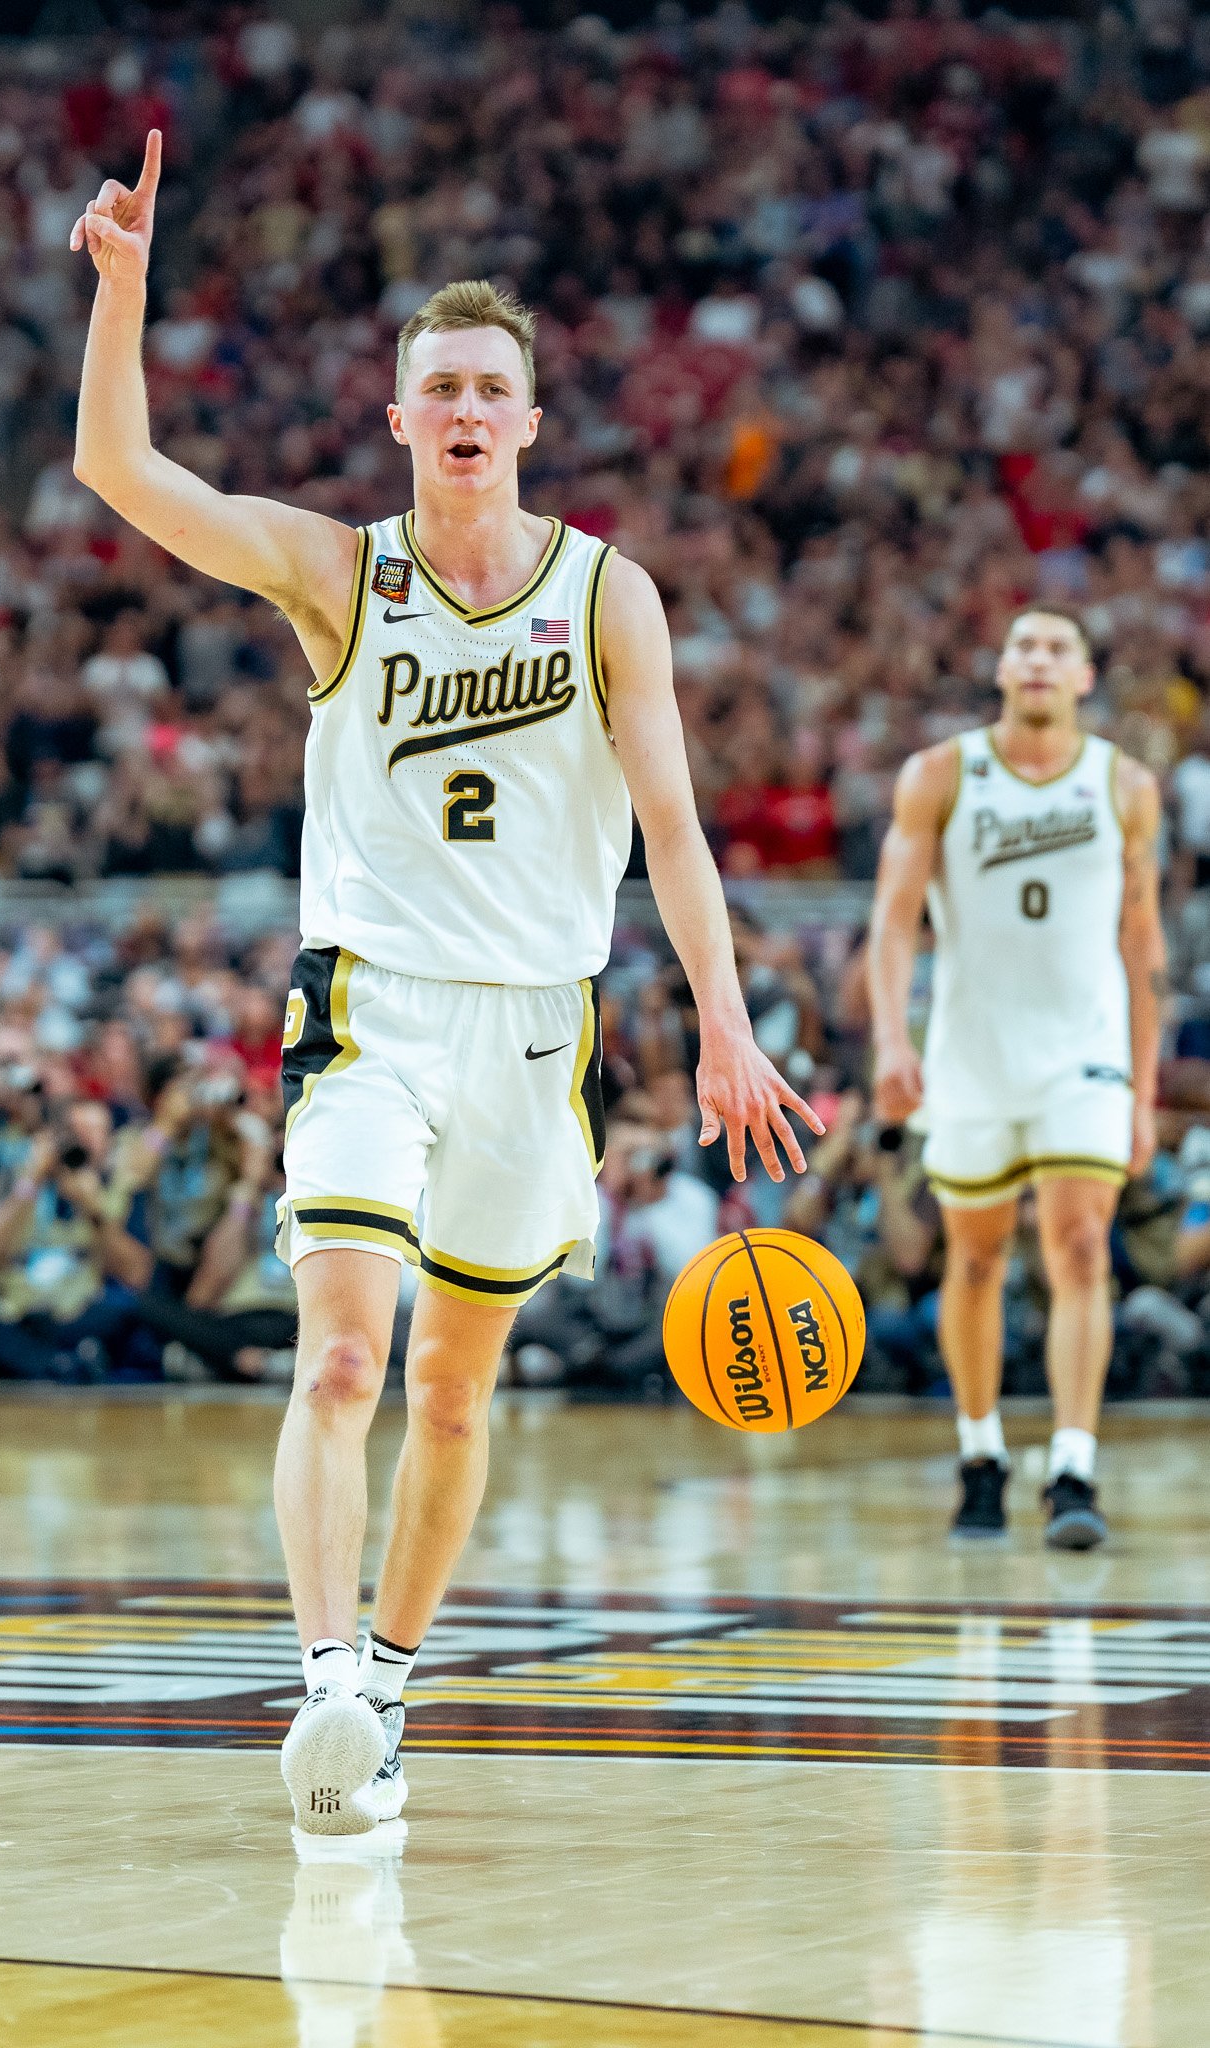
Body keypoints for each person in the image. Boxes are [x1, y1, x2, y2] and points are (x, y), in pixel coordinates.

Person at [71, 133, 822, 1839]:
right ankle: (327, 1671)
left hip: (541, 1027)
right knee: (345, 1360)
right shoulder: (343, 573)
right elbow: (121, 467)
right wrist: (122, 295)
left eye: (493, 385)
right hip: (373, 1012)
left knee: (454, 1391)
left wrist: (723, 1017)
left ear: (529, 420)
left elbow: (674, 830)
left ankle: (393, 1688)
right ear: (400, 417)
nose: (468, 407)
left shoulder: (606, 594)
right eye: (442, 387)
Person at [868, 606, 1166, 1549]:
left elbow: (1142, 943)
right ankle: (980, 1454)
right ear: (1000, 670)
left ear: (1083, 677)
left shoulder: (1124, 785)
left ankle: (1072, 1467)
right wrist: (890, 1040)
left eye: (1057, 648)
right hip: (972, 1053)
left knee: (1080, 1248)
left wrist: (1144, 1089)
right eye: (1023, 646)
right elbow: (892, 919)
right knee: (976, 1257)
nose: (1037, 659)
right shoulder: (942, 774)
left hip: (1085, 1052)